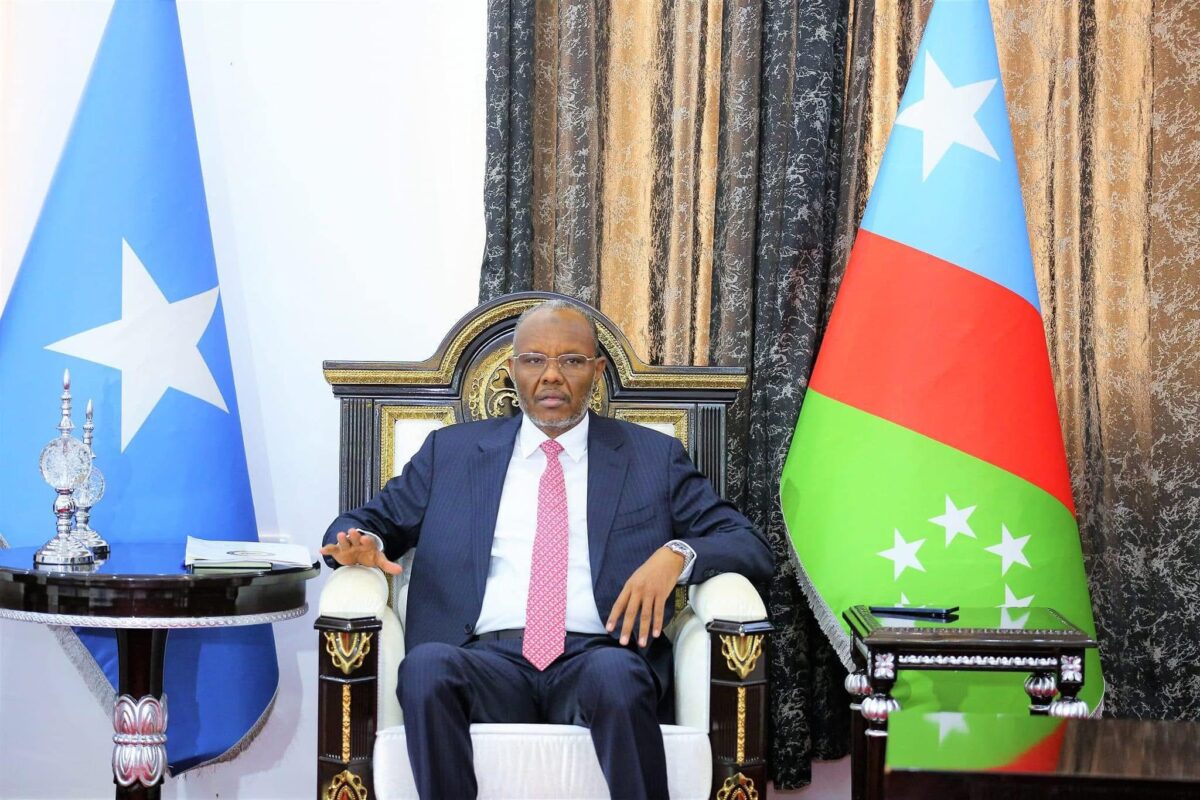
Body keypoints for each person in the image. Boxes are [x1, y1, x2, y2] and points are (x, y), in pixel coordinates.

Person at [321, 299, 773, 799]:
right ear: (512, 370)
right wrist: (361, 543)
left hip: (598, 655)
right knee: (426, 668)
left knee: (618, 675)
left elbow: (747, 544)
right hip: (482, 657)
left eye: (571, 360)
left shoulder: (652, 457)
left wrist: (676, 556)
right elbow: (368, 522)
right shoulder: (450, 452)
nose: (551, 375)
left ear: (596, 372)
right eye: (534, 359)